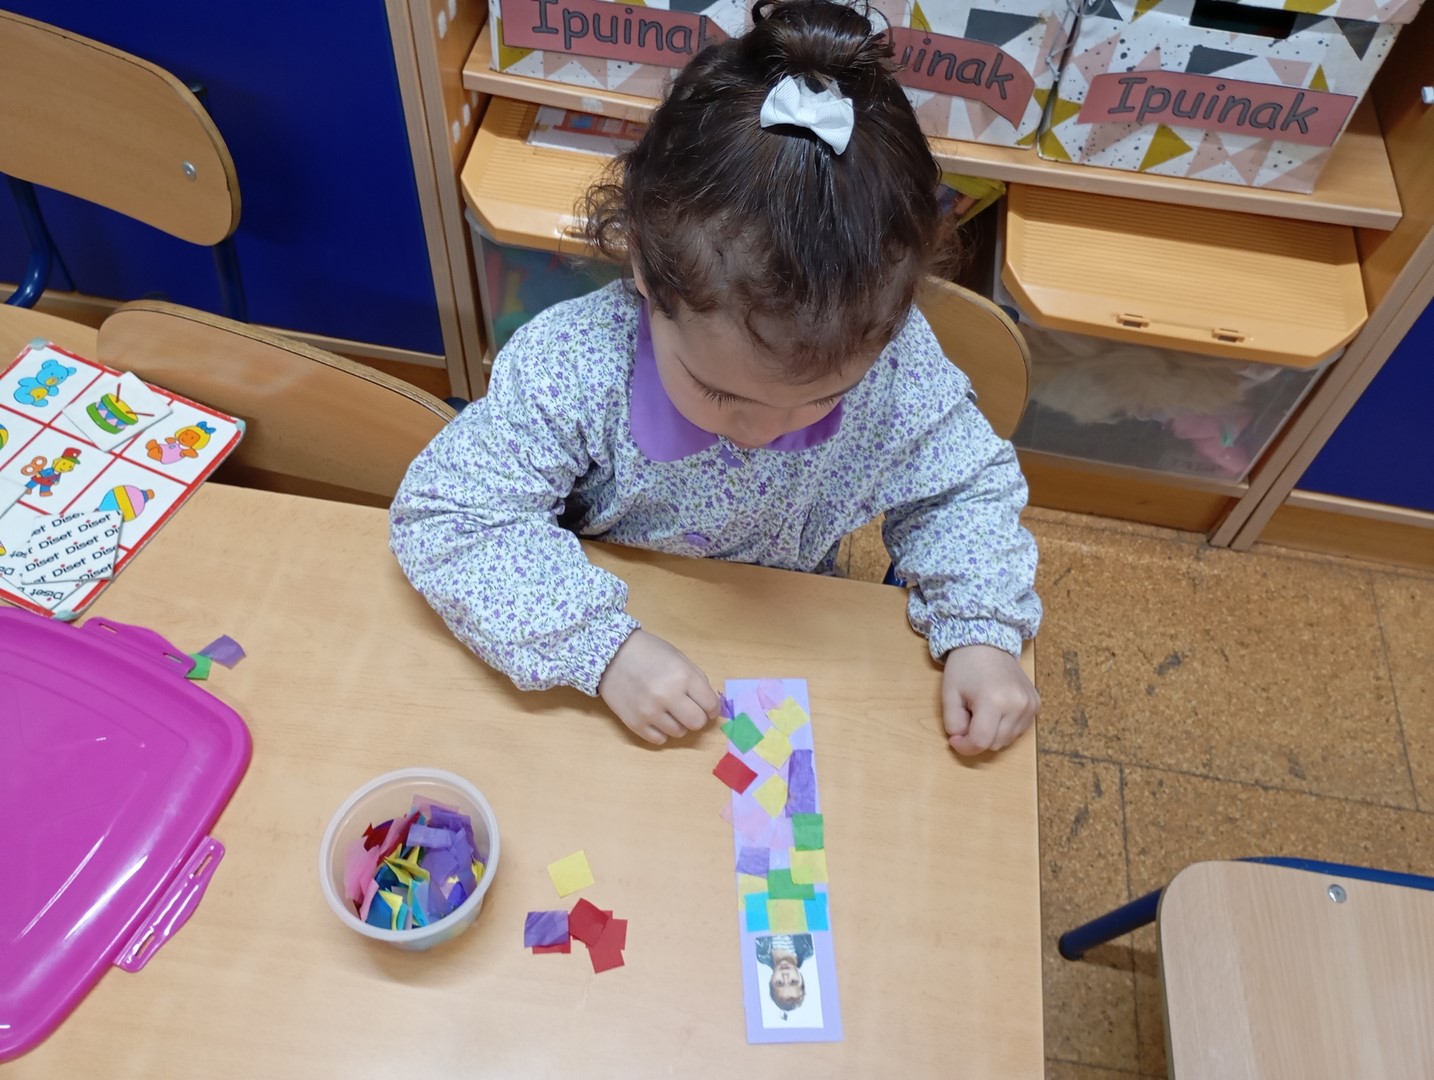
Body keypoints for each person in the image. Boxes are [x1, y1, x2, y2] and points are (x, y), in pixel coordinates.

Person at [390, 0, 1041, 755]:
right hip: (605, 624)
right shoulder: (575, 367)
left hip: (786, 626)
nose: (761, 432)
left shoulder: (896, 368)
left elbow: (963, 489)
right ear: (644, 266)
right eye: (722, 393)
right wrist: (603, 647)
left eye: (825, 397)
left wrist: (983, 631)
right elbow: (449, 517)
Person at [756, 933, 813, 1015]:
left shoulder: (761, 954)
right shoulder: (808, 949)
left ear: (771, 980)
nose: (785, 976)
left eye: (779, 982)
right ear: (801, 978)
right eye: (793, 981)